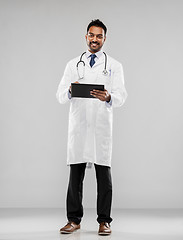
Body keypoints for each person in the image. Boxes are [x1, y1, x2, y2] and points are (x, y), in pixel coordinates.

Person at [56, 19, 127, 235]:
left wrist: (108, 96)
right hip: (79, 128)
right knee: (75, 176)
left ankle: (104, 221)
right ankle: (74, 220)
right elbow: (59, 96)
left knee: (103, 176)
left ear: (104, 39)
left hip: (100, 129)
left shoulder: (114, 66)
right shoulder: (72, 64)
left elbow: (122, 95)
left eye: (99, 36)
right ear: (85, 36)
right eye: (91, 35)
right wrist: (70, 90)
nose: (94, 39)